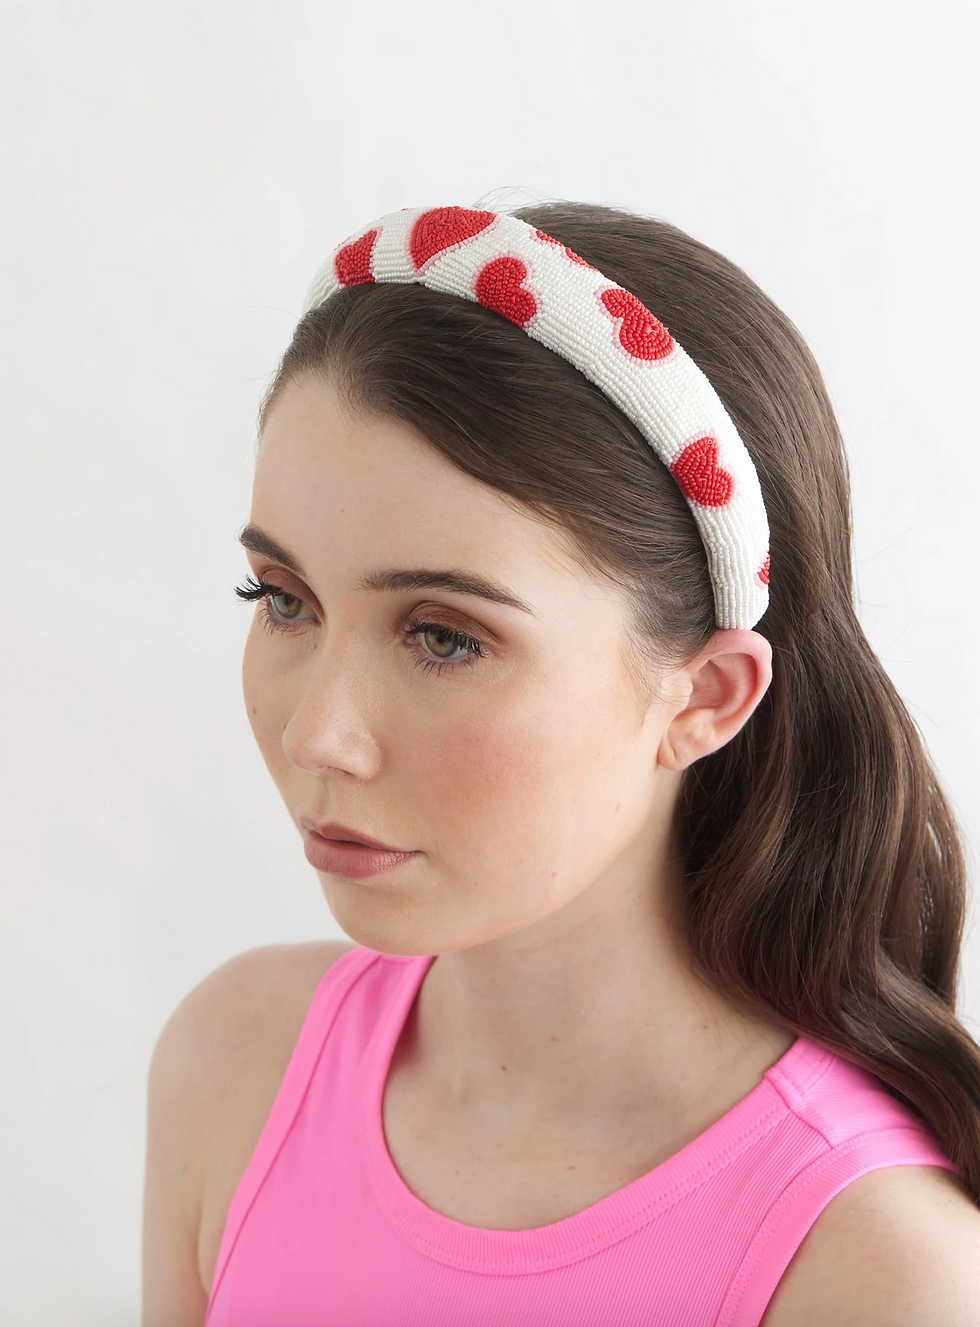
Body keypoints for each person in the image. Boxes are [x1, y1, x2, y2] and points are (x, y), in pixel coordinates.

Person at [142, 201, 980, 1327]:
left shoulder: (879, 1267)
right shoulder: (236, 1069)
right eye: (284, 600)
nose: (317, 736)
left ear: (704, 697)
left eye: (445, 636)